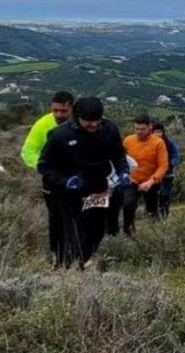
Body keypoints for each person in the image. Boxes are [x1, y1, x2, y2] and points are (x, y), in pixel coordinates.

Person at [37, 97, 129, 269]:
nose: (93, 126)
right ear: (78, 117)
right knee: (73, 231)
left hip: (98, 188)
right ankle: (68, 267)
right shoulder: (60, 135)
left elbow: (118, 154)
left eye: (97, 122)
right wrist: (65, 181)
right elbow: (44, 166)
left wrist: (123, 171)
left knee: (97, 227)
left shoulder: (109, 129)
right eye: (88, 122)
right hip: (71, 191)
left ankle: (86, 260)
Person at [20, 91, 75, 262]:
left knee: (79, 217)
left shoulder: (83, 122)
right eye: (55, 110)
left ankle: (80, 253)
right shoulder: (43, 124)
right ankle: (58, 255)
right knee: (56, 218)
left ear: (72, 108)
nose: (59, 115)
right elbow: (27, 151)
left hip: (78, 180)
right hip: (52, 181)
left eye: (63, 111)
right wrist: (45, 167)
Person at [121, 114, 168, 235]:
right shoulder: (128, 141)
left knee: (152, 210)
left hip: (151, 182)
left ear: (150, 127)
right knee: (128, 206)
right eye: (136, 129)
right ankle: (129, 235)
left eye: (142, 129)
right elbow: (121, 160)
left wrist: (151, 181)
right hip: (132, 181)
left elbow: (163, 166)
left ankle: (155, 235)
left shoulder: (158, 143)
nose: (139, 132)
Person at [152, 122, 180, 217]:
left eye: (160, 132)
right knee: (154, 196)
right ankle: (154, 214)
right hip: (154, 175)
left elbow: (176, 156)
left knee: (165, 194)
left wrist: (170, 163)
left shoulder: (170, 143)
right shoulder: (149, 144)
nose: (158, 134)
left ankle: (165, 214)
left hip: (167, 174)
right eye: (155, 132)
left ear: (163, 132)